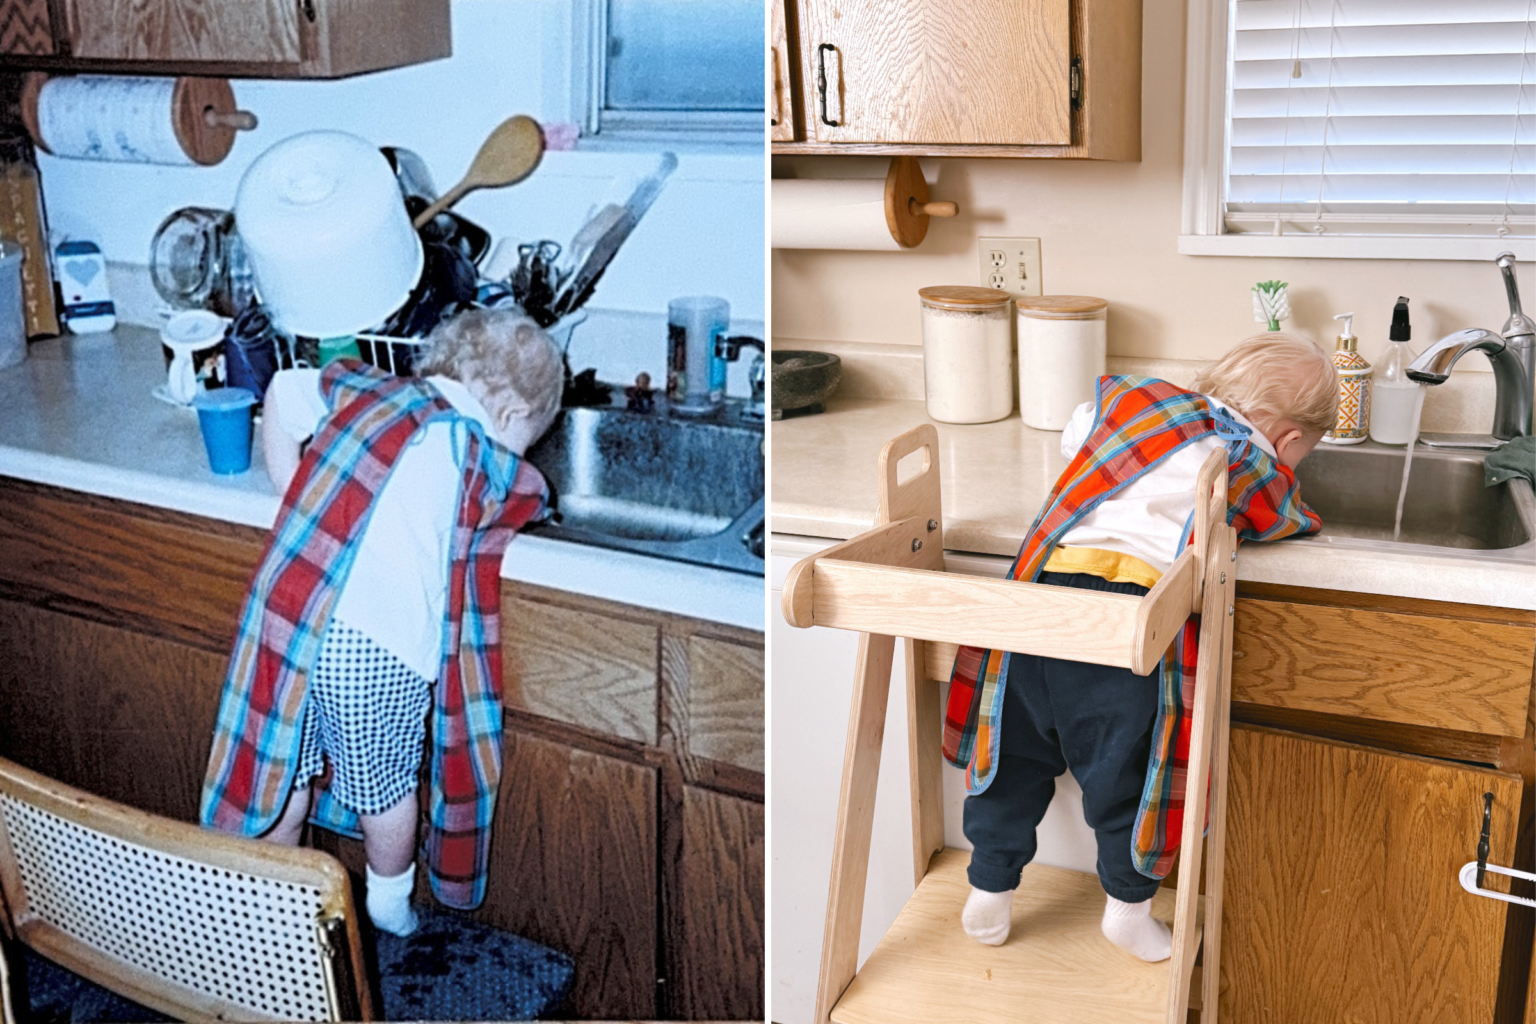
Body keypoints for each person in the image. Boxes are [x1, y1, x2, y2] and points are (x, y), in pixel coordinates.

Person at [945, 332, 1337, 960]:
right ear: (1289, 440)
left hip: (1037, 605)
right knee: (1126, 779)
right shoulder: (1251, 463)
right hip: (1128, 629)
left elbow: (1078, 435)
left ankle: (989, 883)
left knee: (1012, 754)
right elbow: (1290, 518)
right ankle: (1127, 910)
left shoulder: (1135, 400)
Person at [201, 308, 562, 937]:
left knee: (284, 767)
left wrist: (295, 494)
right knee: (386, 789)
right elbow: (531, 497)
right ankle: (388, 901)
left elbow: (283, 393)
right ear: (508, 416)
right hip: (378, 652)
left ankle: (272, 900)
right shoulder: (478, 450)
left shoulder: (368, 388)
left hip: (296, 623)